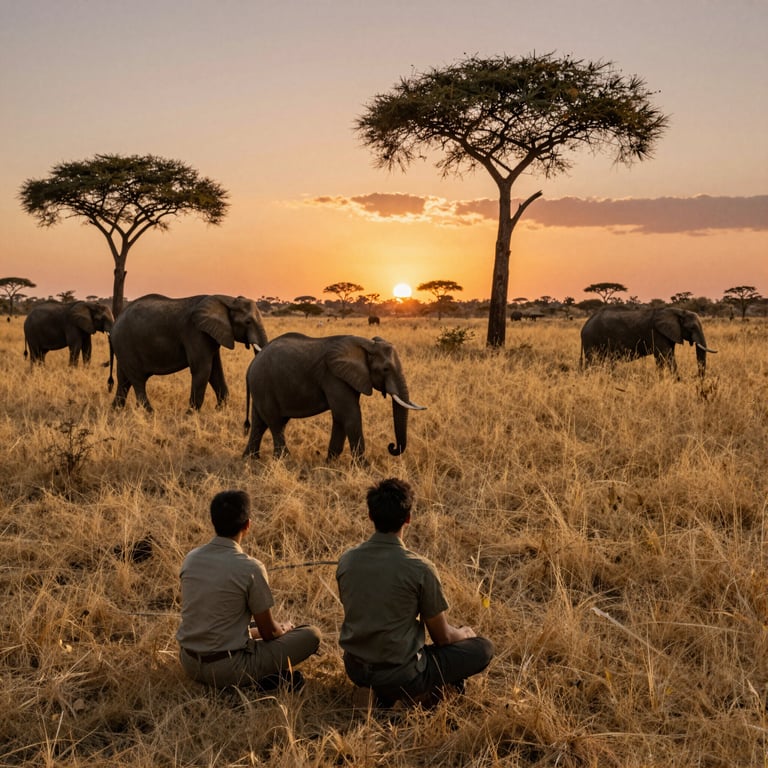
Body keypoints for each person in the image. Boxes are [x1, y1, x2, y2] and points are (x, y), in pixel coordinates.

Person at [336, 478, 494, 707]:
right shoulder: (420, 568)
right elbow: (443, 637)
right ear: (408, 519)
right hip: (401, 673)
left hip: (356, 668)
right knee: (483, 648)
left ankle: (373, 693)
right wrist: (465, 633)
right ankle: (415, 696)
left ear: (370, 516)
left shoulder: (347, 560)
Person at [177, 489, 321, 691]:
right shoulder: (251, 567)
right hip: (227, 668)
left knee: (247, 620)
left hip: (189, 662)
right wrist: (285, 629)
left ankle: (260, 681)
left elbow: (216, 619)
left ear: (213, 521)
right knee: (311, 634)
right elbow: (269, 632)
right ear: (247, 525)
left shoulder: (191, 558)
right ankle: (257, 684)